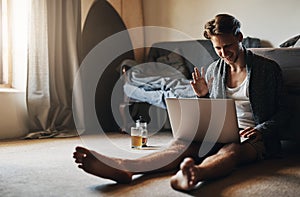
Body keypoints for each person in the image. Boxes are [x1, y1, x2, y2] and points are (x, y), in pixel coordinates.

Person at [73, 14, 290, 191]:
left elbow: (284, 112)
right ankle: (124, 166)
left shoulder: (267, 69)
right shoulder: (215, 70)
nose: (224, 53)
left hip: (252, 137)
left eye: (228, 46)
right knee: (180, 145)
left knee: (231, 151)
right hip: (220, 132)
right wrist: (203, 96)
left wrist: (261, 130)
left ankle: (195, 174)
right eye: (218, 48)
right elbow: (215, 111)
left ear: (240, 37)